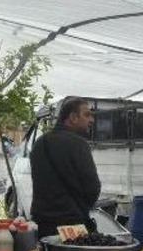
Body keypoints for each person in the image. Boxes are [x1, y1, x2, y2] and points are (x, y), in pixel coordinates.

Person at [30, 98, 101, 238]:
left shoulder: (40, 143)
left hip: (42, 225)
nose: (91, 120)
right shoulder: (79, 144)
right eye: (87, 115)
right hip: (71, 226)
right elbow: (92, 188)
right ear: (73, 117)